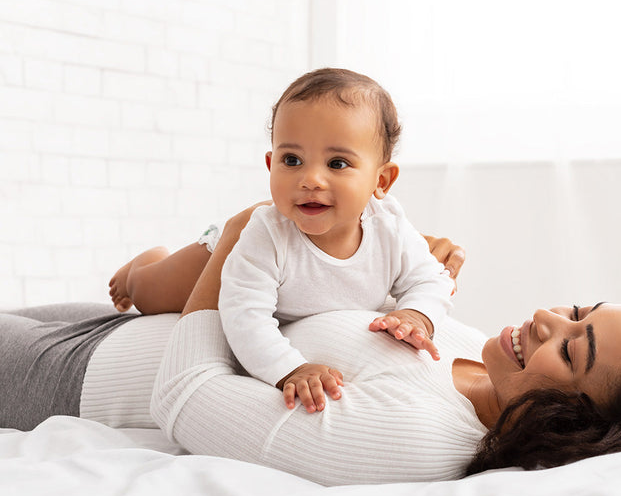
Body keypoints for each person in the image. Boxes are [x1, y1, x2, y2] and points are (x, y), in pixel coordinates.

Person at [0, 205, 621, 486]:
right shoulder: (479, 357)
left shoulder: (420, 438)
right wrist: (396, 278)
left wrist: (237, 246)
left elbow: (186, 398)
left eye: (572, 348)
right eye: (578, 309)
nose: (546, 319)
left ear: (583, 427)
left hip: (71, 379)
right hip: (118, 329)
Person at [108, 68, 455, 413]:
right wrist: (289, 368)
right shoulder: (267, 234)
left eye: (337, 163)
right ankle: (140, 267)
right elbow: (244, 317)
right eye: (292, 160)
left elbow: (431, 279)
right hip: (218, 256)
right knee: (150, 293)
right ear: (270, 163)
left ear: (382, 181)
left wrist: (417, 314)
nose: (311, 179)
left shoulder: (390, 229)